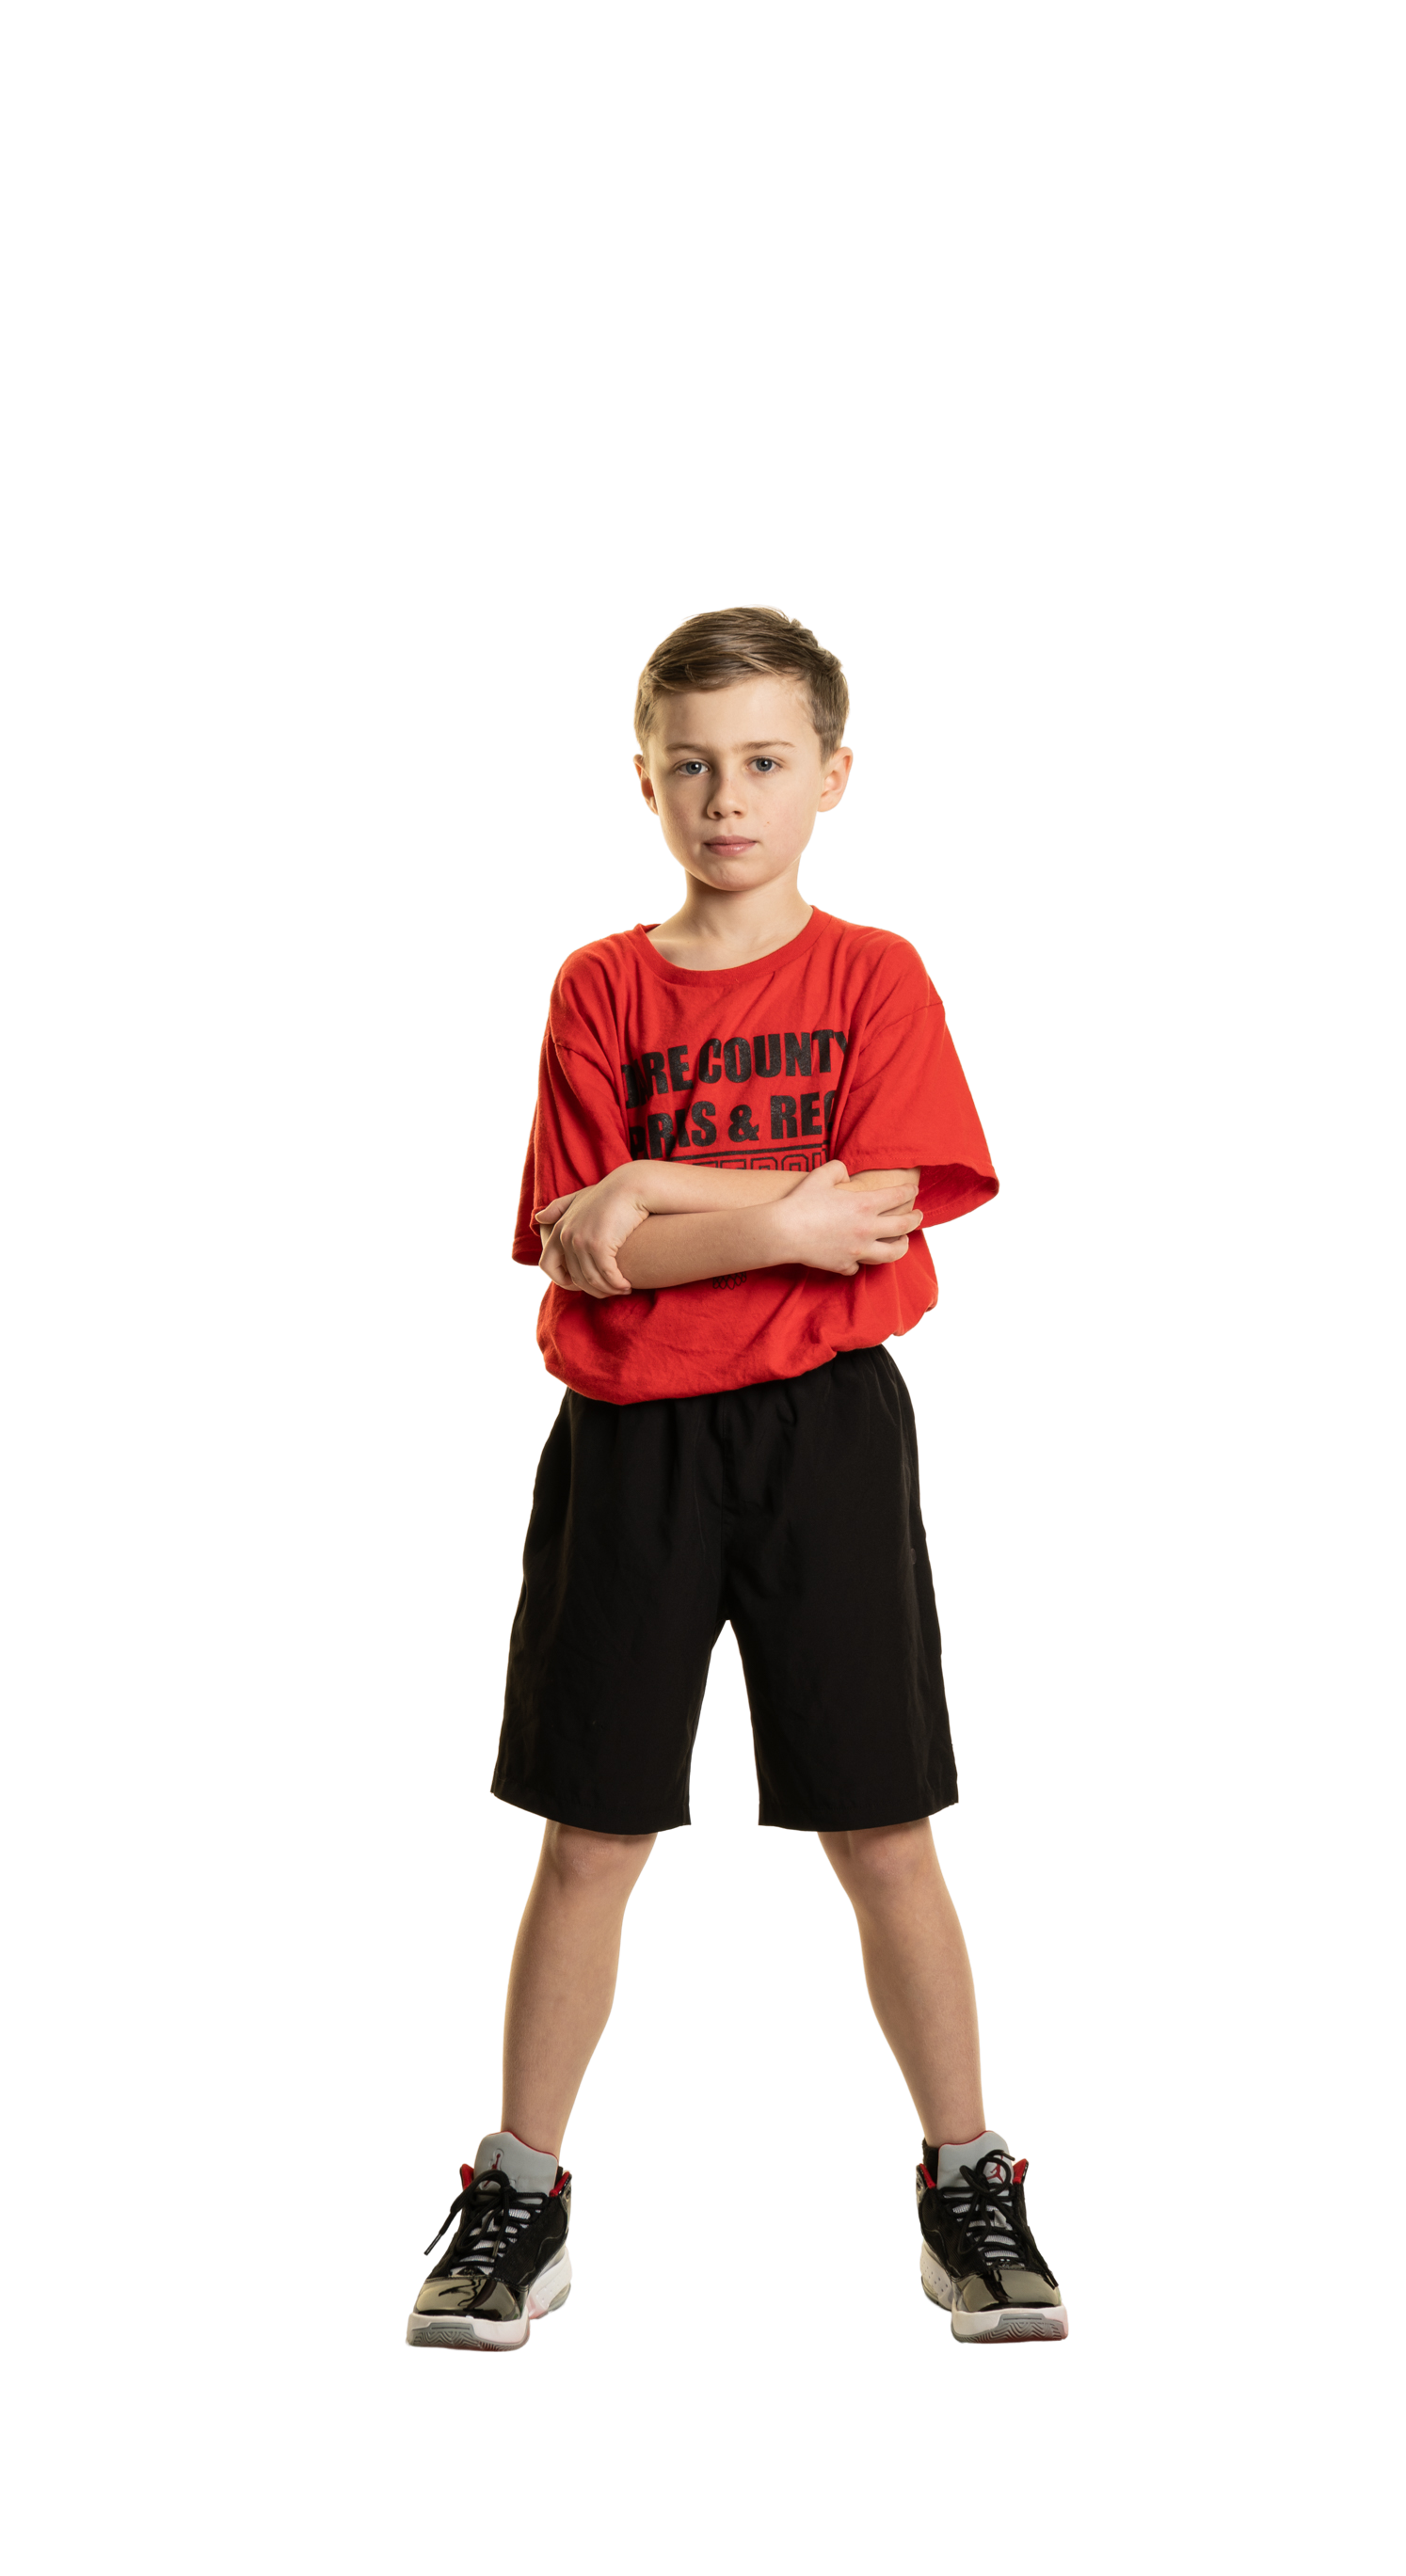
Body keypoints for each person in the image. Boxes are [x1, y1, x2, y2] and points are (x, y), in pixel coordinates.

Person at [405, 604, 1067, 2354]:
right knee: (590, 1829)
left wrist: (664, 1188)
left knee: (885, 1822)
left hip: (826, 1427)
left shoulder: (874, 973)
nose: (727, 798)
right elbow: (584, 1249)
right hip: (628, 1435)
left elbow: (881, 1211)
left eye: (764, 761)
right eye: (691, 766)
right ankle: (518, 2194)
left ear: (831, 775)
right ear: (644, 780)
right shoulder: (599, 985)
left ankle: (969, 2181)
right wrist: (750, 1211)